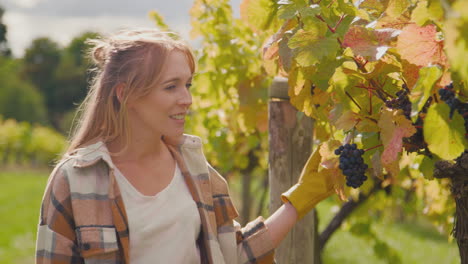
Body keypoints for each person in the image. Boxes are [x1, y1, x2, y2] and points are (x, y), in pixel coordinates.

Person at [35, 28, 334, 264]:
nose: (187, 99)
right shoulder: (74, 181)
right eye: (171, 86)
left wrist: (298, 200)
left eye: (188, 85)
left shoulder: (198, 173)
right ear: (126, 94)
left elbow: (233, 256)